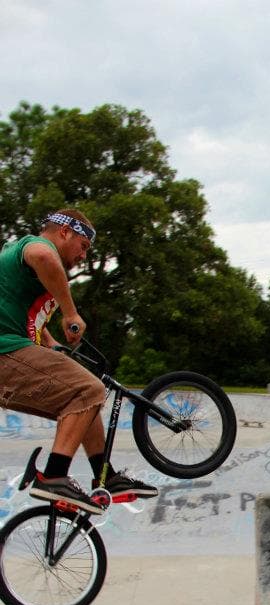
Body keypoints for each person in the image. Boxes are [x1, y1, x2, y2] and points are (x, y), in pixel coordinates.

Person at [0, 208, 158, 514]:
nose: (83, 255)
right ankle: (54, 476)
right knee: (89, 389)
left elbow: (29, 319)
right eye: (83, 246)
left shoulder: (26, 271)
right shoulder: (39, 246)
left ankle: (106, 475)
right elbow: (43, 257)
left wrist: (51, 344)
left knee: (82, 403)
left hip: (13, 355)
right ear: (64, 232)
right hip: (6, 353)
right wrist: (70, 312)